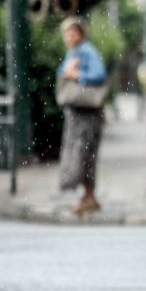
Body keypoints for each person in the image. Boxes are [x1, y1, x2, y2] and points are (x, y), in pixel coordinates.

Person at [57, 17, 107, 214]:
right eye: (66, 34)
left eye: (71, 33)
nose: (68, 38)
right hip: (78, 112)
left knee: (85, 153)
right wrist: (67, 72)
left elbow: (99, 74)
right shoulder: (75, 52)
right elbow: (63, 71)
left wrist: (77, 75)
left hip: (87, 113)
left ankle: (89, 195)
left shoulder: (87, 51)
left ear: (80, 33)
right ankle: (87, 195)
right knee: (81, 153)